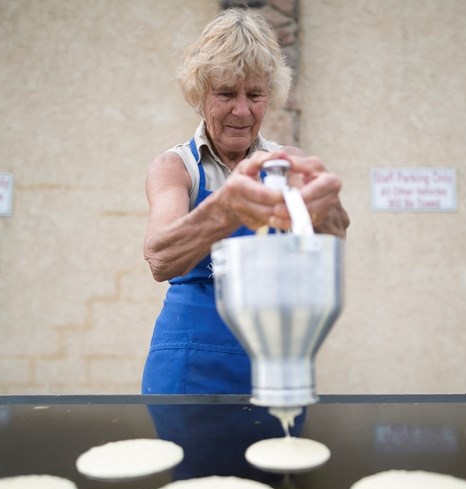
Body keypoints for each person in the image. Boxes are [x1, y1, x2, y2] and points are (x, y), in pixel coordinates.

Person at [142, 8, 349, 395]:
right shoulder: (176, 167)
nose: (242, 110)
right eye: (225, 94)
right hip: (188, 361)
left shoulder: (289, 163)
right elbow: (159, 257)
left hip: (275, 356)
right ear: (199, 94)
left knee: (279, 455)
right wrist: (227, 207)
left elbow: (332, 243)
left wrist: (330, 213)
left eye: (255, 95)